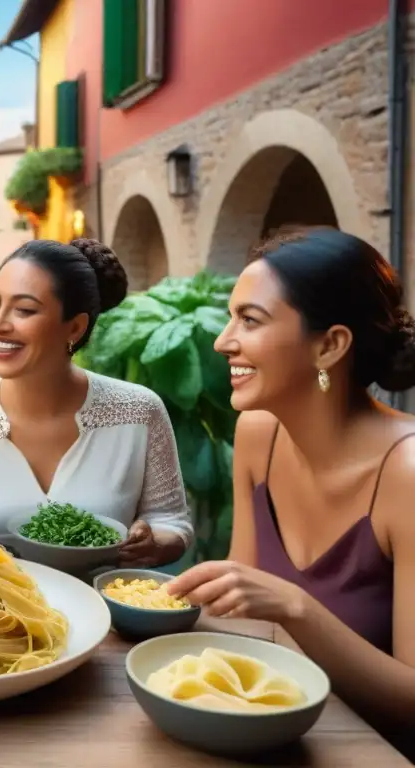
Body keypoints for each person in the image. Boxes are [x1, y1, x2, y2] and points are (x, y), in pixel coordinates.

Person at [165, 228, 415, 758]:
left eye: (250, 320)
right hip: (270, 736)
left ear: (330, 345)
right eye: (231, 316)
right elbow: (242, 618)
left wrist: (299, 609)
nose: (222, 340)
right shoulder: (259, 432)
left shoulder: (407, 475)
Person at [0, 239, 193, 567]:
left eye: (24, 310)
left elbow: (171, 520)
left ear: (75, 327)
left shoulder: (139, 411)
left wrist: (155, 541)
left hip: (105, 612)